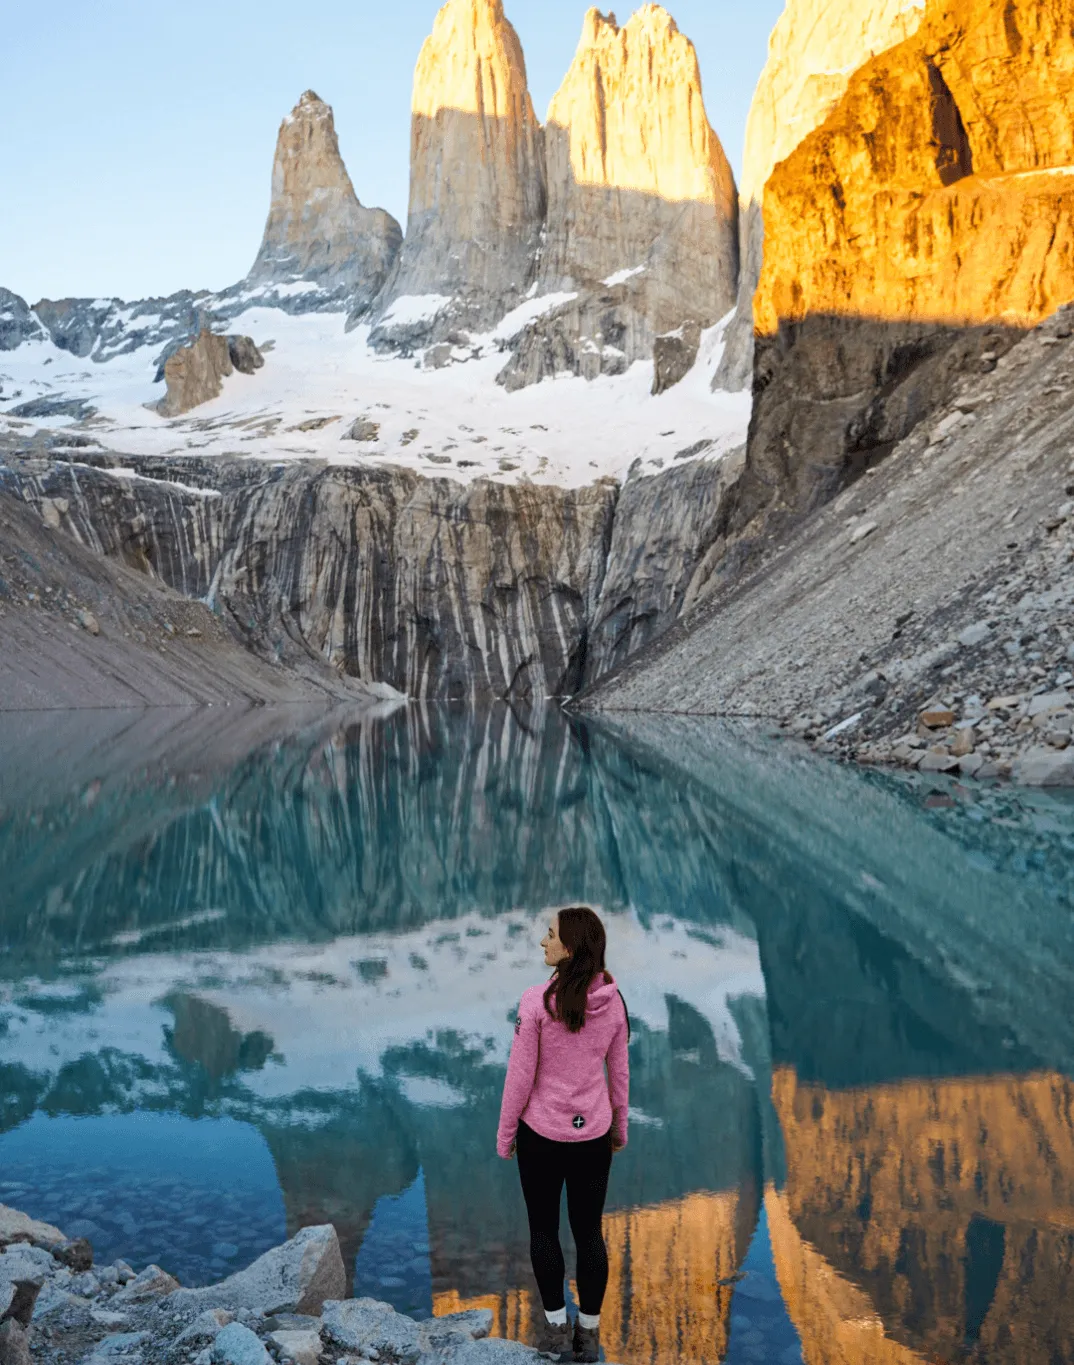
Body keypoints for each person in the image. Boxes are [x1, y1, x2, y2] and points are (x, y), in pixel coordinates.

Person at [496, 906, 630, 1364]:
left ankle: (556, 1329)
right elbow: (620, 1074)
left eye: (550, 935)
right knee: (590, 1234)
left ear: (568, 949)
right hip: (593, 1137)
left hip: (541, 1138)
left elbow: (520, 1076)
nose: (543, 942)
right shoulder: (614, 1002)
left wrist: (505, 1133)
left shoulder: (536, 1001)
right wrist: (619, 1126)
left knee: (543, 1232)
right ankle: (587, 1335)